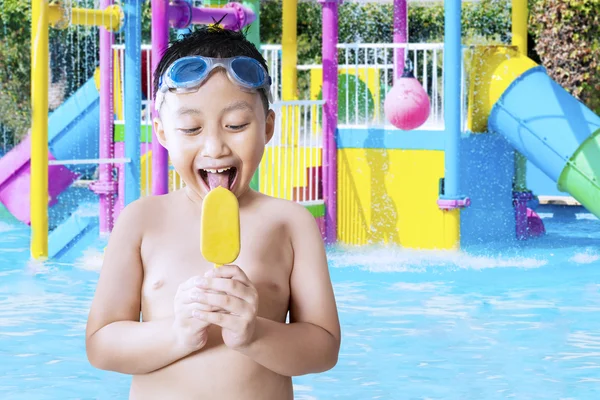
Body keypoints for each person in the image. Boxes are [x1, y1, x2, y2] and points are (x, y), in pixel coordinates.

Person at [85, 26, 341, 400]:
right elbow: (101, 345)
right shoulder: (141, 221)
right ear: (162, 132)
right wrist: (177, 333)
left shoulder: (291, 224)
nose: (215, 146)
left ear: (268, 126)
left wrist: (254, 333)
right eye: (190, 128)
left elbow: (323, 348)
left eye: (236, 125)